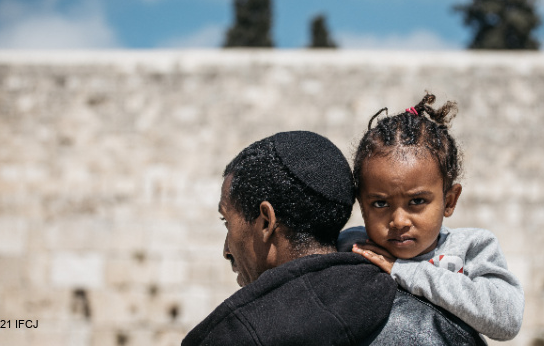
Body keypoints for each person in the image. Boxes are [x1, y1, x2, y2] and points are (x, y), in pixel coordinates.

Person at [183, 130, 484, 346]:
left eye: (227, 222)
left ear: (266, 221)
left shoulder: (229, 335)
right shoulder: (444, 330)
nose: (226, 249)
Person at [338, 93, 525, 342]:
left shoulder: (471, 248)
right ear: (362, 205)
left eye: (417, 201)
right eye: (380, 203)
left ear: (449, 201)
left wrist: (405, 271)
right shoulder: (352, 247)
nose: (399, 221)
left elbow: (507, 318)